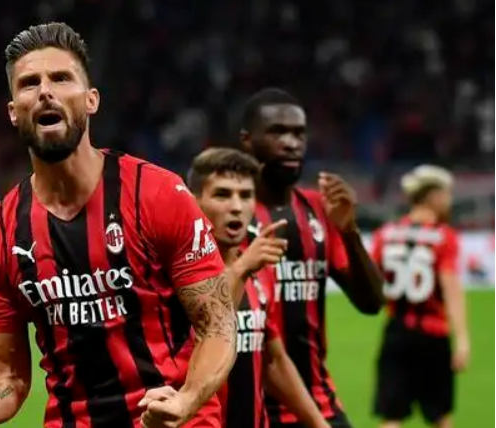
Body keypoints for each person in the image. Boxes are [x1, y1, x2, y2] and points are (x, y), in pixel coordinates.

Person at [0, 22, 237, 428]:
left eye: (61, 78)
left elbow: (218, 325)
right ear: (14, 111)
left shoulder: (159, 194)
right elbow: (7, 375)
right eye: (29, 83)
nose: (45, 91)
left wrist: (187, 400)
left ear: (91, 101)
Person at [236, 88, 385, 428]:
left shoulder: (318, 209)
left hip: (320, 404)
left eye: (299, 134)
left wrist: (349, 232)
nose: (292, 143)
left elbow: (372, 302)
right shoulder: (231, 215)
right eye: (277, 132)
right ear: (247, 140)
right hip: (253, 411)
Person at [188, 147, 331, 428]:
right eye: (222, 195)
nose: (236, 207)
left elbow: (272, 360)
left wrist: (319, 424)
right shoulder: (180, 270)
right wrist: (241, 269)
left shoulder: (258, 265)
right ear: (194, 201)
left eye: (245, 195)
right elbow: (206, 330)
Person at [370, 165, 469, 428]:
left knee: (391, 417)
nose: (449, 200)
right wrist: (462, 338)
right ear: (432, 196)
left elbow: (371, 278)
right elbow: (451, 289)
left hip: (396, 330)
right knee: (440, 416)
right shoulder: (443, 237)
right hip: (433, 333)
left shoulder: (386, 234)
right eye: (446, 194)